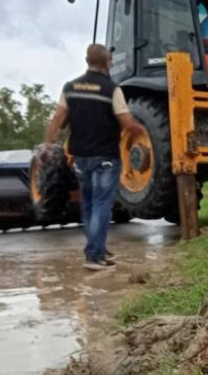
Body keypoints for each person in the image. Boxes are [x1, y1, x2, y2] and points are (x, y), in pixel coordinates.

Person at [43, 44, 142, 271]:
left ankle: (96, 249)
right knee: (101, 205)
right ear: (108, 62)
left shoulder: (70, 87)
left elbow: (58, 119)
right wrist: (139, 129)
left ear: (87, 61)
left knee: (87, 204)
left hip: (81, 157)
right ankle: (95, 255)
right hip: (106, 156)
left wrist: (47, 145)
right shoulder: (111, 89)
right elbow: (126, 123)